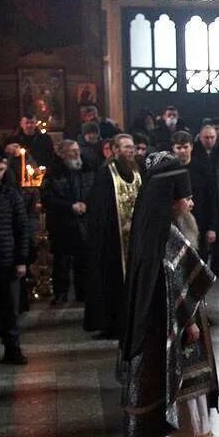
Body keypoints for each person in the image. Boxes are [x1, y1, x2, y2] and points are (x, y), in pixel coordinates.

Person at [118, 154, 217, 437]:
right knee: (170, 380)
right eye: (187, 198)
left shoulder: (149, 228)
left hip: (154, 324)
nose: (192, 204)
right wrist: (189, 323)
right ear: (172, 201)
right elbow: (173, 285)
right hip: (169, 325)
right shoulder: (168, 236)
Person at [83, 134, 141, 338]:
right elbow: (99, 209)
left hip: (136, 240)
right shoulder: (106, 173)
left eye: (132, 147)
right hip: (112, 242)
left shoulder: (137, 170)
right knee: (112, 284)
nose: (130, 151)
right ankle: (112, 325)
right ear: (115, 150)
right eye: (126, 147)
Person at [41, 139, 95, 304]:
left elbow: (95, 191)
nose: (77, 153)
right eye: (72, 151)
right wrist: (70, 206)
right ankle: (61, 293)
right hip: (62, 223)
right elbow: (47, 197)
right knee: (61, 261)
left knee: (83, 260)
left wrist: (87, 204)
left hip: (84, 222)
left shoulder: (87, 169)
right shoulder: (53, 172)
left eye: (77, 150)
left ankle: (83, 293)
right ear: (62, 154)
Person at [0, 154, 28, 365]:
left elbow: (22, 229)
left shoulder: (11, 196)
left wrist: (21, 260)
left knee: (10, 310)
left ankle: (12, 349)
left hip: (7, 259)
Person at [192, 125, 219, 277]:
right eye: (206, 137)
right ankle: (201, 270)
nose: (209, 140)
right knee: (201, 237)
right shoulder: (194, 152)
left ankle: (218, 268)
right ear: (200, 136)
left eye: (212, 137)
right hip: (201, 200)